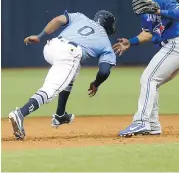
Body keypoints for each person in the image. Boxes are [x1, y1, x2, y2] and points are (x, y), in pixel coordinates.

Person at [9, 10, 116, 140]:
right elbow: (104, 71)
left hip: (51, 47)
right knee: (50, 90)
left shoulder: (80, 17)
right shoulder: (106, 43)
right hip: (69, 53)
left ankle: (60, 114)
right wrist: (96, 83)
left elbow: (57, 20)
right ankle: (20, 113)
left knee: (74, 70)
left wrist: (39, 36)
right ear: (109, 25)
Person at [113, 0, 179, 137]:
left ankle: (141, 122)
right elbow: (148, 33)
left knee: (148, 78)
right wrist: (130, 42)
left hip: (177, 44)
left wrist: (159, 11)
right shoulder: (145, 8)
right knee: (152, 83)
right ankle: (153, 124)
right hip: (175, 48)